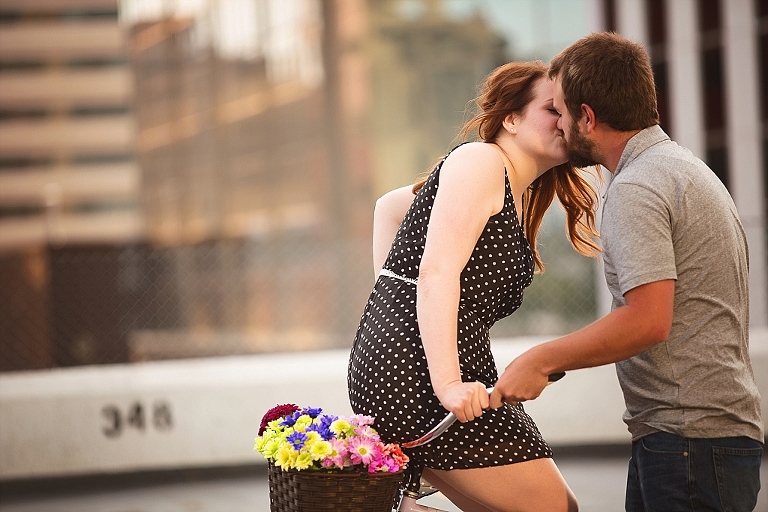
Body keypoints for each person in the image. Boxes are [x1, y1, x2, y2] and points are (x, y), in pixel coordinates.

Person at [491, 32, 764, 512]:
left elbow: (646, 321)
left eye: (560, 110)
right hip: (692, 440)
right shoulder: (680, 168)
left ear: (588, 117)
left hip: (687, 447)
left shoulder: (638, 186)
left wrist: (542, 359)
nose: (557, 124)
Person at [347, 61, 600, 512]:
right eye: (551, 109)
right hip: (424, 373)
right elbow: (437, 270)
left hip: (425, 363)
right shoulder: (481, 161)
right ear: (511, 119)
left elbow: (390, 208)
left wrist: (389, 308)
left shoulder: (513, 190)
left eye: (568, 111)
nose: (566, 122)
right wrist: (442, 379)